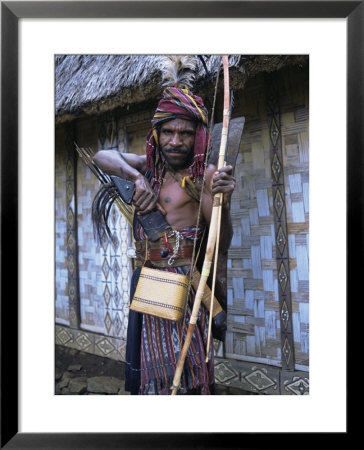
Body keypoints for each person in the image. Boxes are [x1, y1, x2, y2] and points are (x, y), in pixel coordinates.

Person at [93, 86, 236, 395]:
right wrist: (136, 178)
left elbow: (221, 243)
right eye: (167, 131)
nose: (175, 140)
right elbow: (100, 156)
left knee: (186, 367)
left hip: (185, 286)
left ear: (197, 135)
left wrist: (225, 200)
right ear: (156, 133)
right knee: (152, 366)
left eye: (184, 133)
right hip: (147, 281)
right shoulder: (150, 168)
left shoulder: (206, 176)